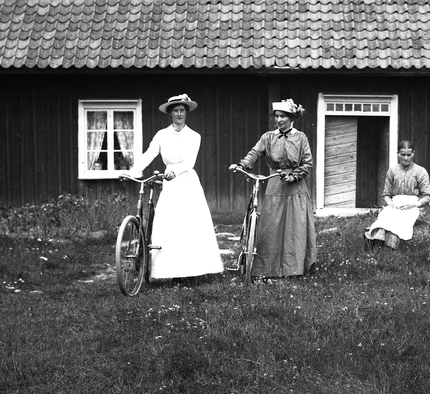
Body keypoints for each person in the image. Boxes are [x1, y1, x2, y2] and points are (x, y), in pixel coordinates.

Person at [123, 93, 223, 281]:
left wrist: (175, 172)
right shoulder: (162, 135)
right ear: (170, 113)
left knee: (190, 224)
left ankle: (194, 270)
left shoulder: (194, 136)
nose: (179, 114)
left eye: (182, 110)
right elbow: (149, 154)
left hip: (187, 182)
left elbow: (190, 162)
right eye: (175, 110)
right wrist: (133, 172)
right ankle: (171, 271)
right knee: (169, 224)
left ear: (186, 112)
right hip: (170, 184)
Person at [229, 99, 317, 278]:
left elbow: (307, 163)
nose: (279, 119)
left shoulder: (301, 137)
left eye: (283, 116)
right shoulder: (268, 137)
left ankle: (294, 268)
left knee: (295, 227)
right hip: (275, 184)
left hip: (295, 186)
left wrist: (293, 176)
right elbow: (255, 153)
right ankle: (268, 268)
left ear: (291, 118)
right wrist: (242, 165)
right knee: (271, 226)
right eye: (276, 116)